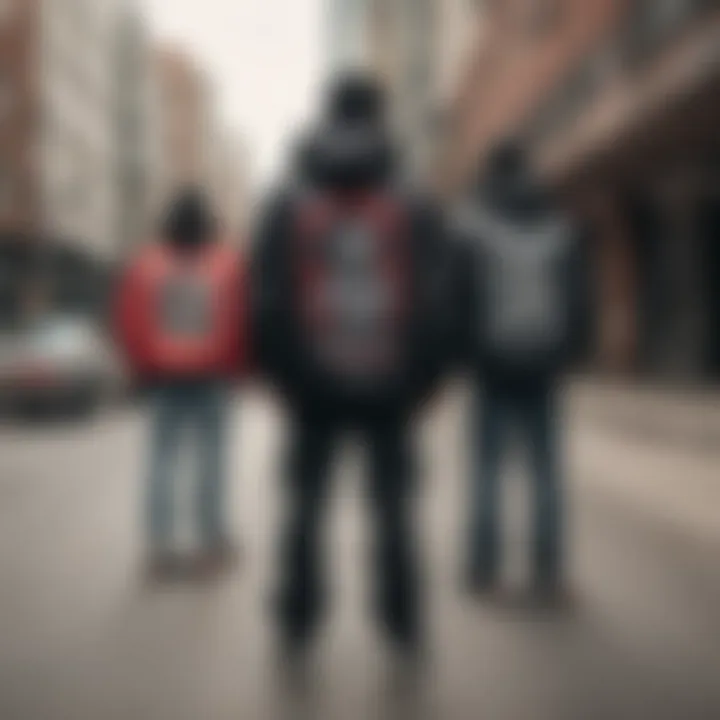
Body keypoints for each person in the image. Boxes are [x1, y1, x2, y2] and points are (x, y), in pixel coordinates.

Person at [253, 73, 452, 655]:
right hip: (390, 385)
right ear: (380, 117)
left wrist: (285, 379)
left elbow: (266, 300)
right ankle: (403, 624)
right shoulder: (413, 198)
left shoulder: (286, 199)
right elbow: (438, 301)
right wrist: (424, 381)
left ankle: (297, 623)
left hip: (312, 385)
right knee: (393, 510)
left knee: (305, 509)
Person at [454, 140, 589, 600]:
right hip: (543, 364)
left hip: (492, 366)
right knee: (547, 471)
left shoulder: (472, 225)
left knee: (487, 469)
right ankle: (549, 572)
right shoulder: (558, 225)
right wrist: (568, 353)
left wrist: (465, 354)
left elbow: (461, 298)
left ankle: (484, 570)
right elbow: (577, 298)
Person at [114, 189, 249, 579]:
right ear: (209, 226)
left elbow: (129, 322)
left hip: (163, 378)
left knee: (161, 463)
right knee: (212, 464)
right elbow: (242, 322)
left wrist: (139, 370)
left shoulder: (145, 266)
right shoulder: (227, 265)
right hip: (213, 377)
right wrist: (239, 371)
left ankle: (160, 550)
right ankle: (210, 545)